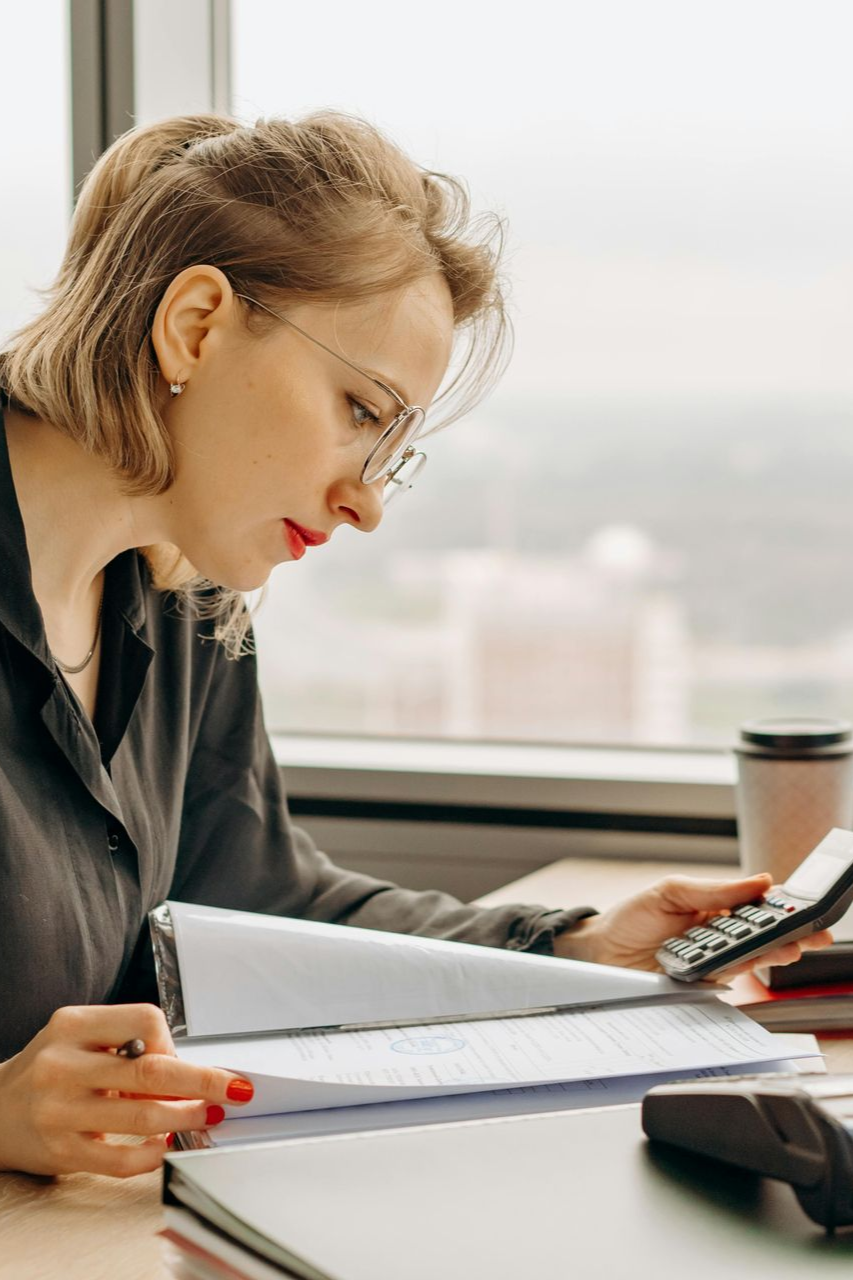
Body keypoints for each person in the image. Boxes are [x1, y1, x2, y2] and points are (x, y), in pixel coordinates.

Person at [0, 112, 830, 1180]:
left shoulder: (181, 592)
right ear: (197, 325)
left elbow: (260, 903)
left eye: (392, 445)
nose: (365, 503)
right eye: (359, 410)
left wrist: (574, 949)